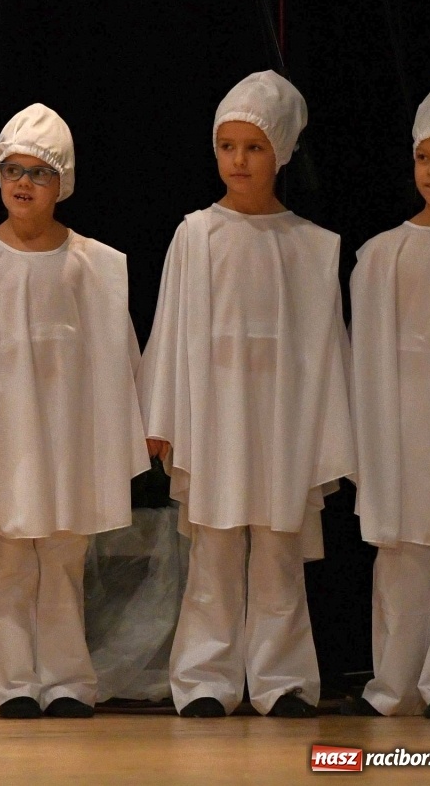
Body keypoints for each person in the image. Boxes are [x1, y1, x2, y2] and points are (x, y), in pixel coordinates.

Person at [140, 70, 354, 718]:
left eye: (254, 147)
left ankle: (282, 679)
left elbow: (327, 348)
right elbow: (170, 329)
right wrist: (162, 417)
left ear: (281, 151)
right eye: (227, 146)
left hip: (284, 421)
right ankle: (205, 678)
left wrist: (331, 431)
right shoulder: (196, 234)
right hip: (216, 418)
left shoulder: (311, 246)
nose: (238, 160)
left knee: (280, 551)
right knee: (215, 549)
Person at [0, 103, 149, 719]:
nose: (24, 183)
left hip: (67, 438)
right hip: (2, 439)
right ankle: (13, 685)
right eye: (13, 170)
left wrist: (137, 426)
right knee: (6, 562)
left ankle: (66, 681)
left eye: (40, 172)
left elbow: (121, 358)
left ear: (63, 181)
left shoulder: (94, 267)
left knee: (62, 559)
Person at [345, 80, 430, 720]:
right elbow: (366, 358)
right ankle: (394, 684)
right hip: (401, 428)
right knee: (401, 560)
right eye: (425, 157)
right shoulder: (381, 254)